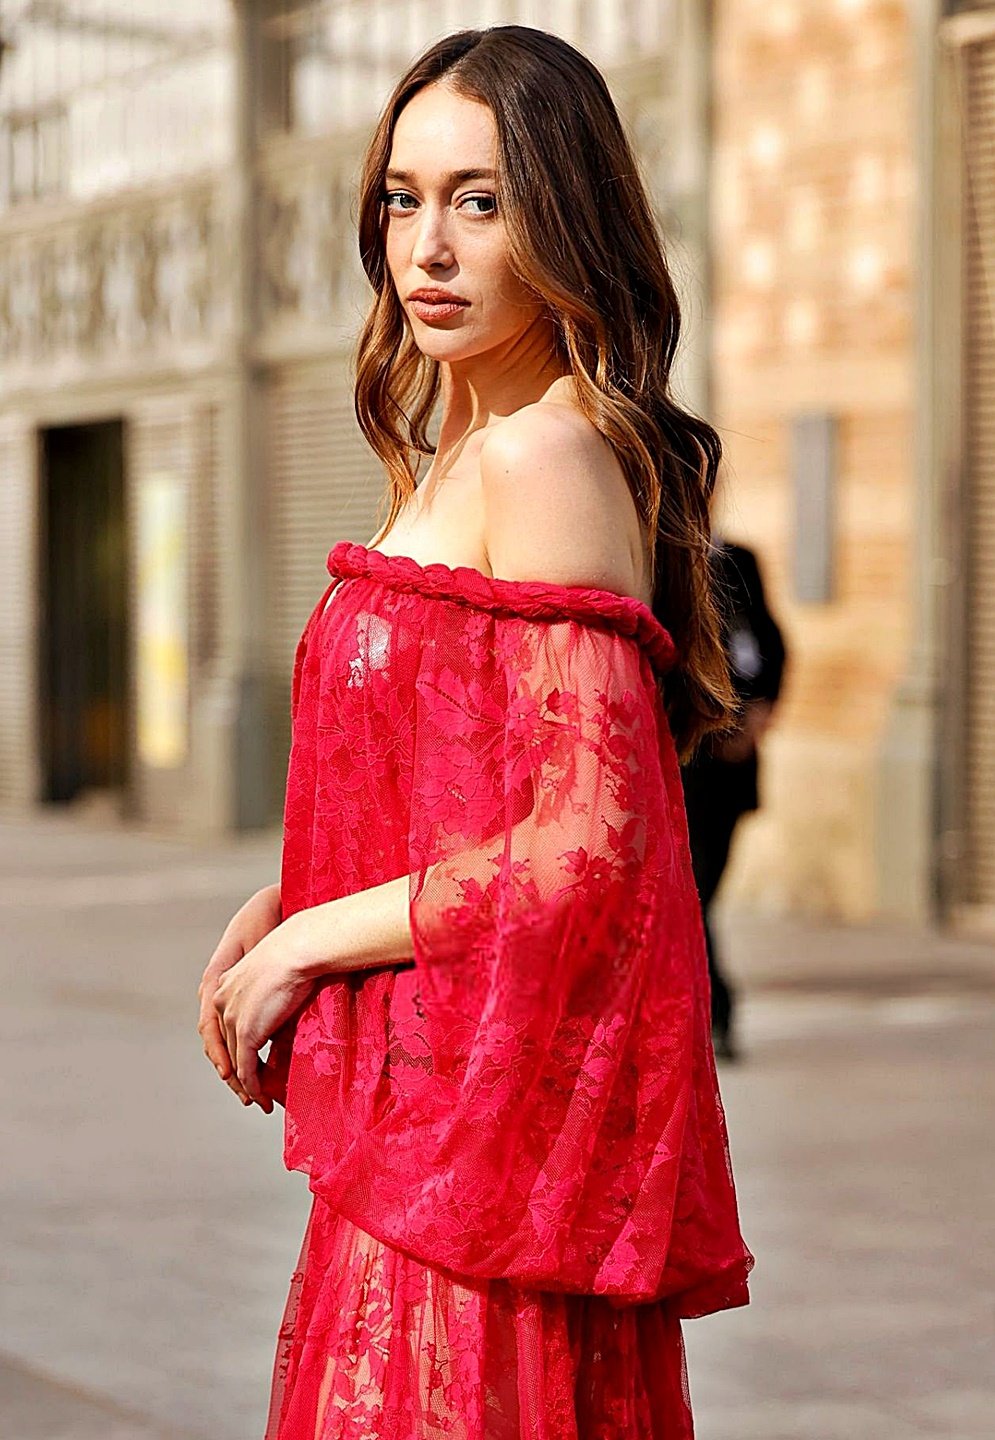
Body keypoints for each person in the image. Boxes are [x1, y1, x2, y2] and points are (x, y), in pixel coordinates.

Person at [196, 27, 753, 1440]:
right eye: (402, 198)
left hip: (481, 1159)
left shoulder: (542, 453)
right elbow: (456, 793)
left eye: (479, 201)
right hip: (426, 1128)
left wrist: (309, 944)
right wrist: (283, 901)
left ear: (563, 218)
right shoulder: (449, 448)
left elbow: (585, 845)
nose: (426, 248)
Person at [680, 536, 786, 1063]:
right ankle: (713, 1009)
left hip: (731, 763)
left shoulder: (736, 560)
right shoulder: (657, 554)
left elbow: (770, 644)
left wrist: (760, 713)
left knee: (703, 892)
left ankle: (708, 1009)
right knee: (693, 893)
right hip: (687, 761)